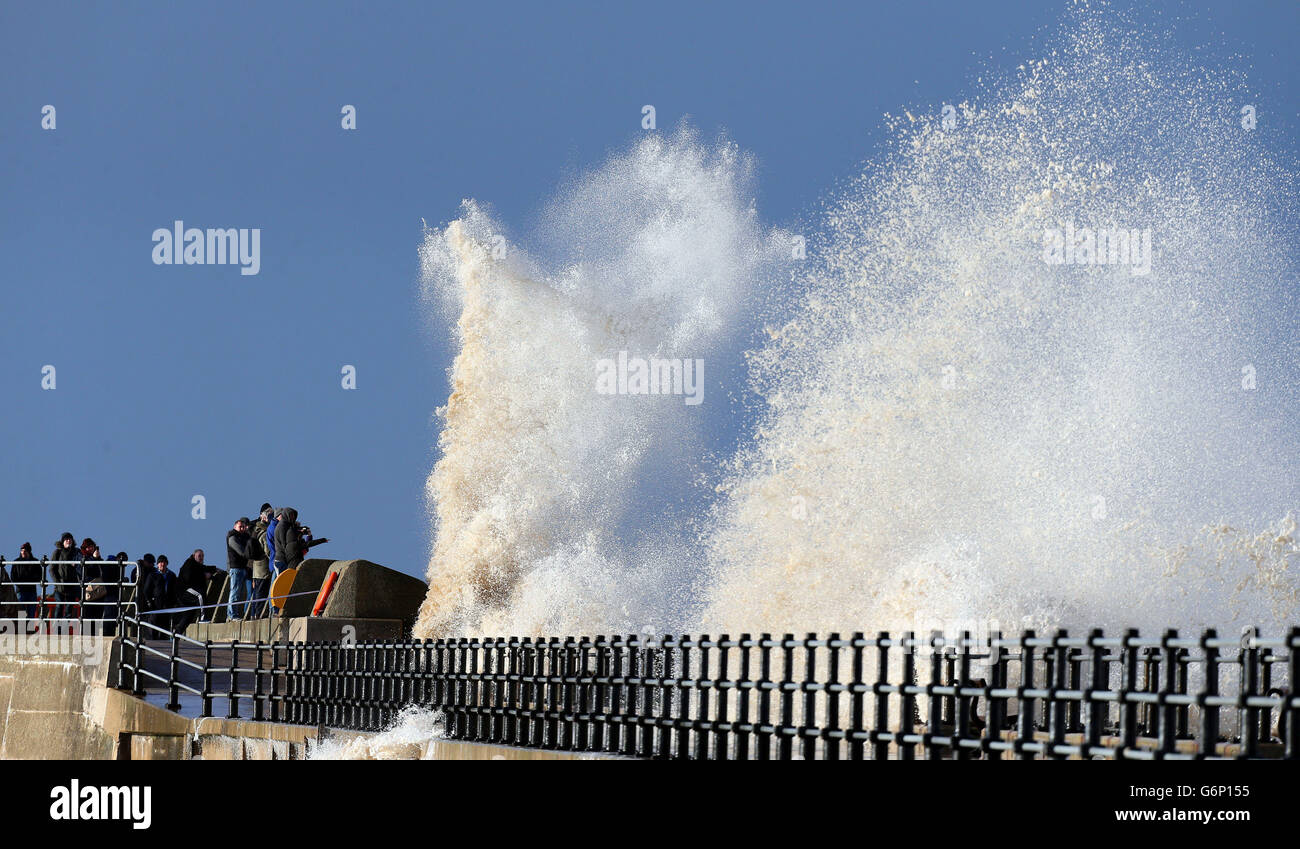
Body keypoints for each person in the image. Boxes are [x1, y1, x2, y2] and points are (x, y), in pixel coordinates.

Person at [175, 549, 215, 631]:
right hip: (184, 591)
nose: (201, 558)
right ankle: (203, 618)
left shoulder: (197, 565)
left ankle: (177, 632)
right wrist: (204, 576)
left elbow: (205, 568)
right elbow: (189, 577)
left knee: (189, 615)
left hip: (188, 594)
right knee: (200, 595)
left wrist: (215, 570)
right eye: (199, 556)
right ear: (194, 556)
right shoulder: (189, 563)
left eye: (203, 556)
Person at [247, 507, 273, 619]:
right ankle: (260, 615)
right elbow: (267, 551)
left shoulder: (255, 530)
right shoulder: (263, 533)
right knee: (261, 592)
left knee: (256, 592)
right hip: (263, 568)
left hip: (256, 567)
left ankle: (254, 614)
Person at [140, 555, 175, 632]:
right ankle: (153, 643)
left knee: (165, 628)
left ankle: (163, 643)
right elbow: (146, 590)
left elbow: (175, 589)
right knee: (154, 628)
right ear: (158, 564)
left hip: (167, 606)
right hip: (155, 605)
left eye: (164, 562)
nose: (162, 564)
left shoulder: (171, 575)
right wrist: (149, 601)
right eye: (160, 562)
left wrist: (173, 601)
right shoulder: (152, 575)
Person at [226, 518, 252, 620]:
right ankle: (232, 615)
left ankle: (233, 614)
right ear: (235, 526)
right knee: (235, 592)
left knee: (239, 593)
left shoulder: (244, 536)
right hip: (236, 568)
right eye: (239, 526)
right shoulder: (232, 537)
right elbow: (241, 551)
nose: (241, 528)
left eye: (243, 527)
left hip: (242, 568)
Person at [50, 532, 80, 619]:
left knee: (69, 610)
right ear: (62, 541)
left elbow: (81, 562)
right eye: (66, 539)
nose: (68, 541)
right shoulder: (57, 552)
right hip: (60, 586)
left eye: (70, 539)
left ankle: (64, 631)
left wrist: (76, 564)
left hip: (72, 586)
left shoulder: (76, 552)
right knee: (59, 607)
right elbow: (52, 569)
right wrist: (58, 583)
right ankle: (56, 630)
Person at [11, 542, 42, 619]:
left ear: (29, 551)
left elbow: (39, 575)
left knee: (31, 612)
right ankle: (22, 629)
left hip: (31, 591)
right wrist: (20, 583)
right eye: (22, 550)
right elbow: (13, 576)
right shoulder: (16, 562)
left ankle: (30, 629)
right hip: (20, 591)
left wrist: (30, 580)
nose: (23, 552)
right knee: (21, 612)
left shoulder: (35, 562)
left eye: (25, 550)